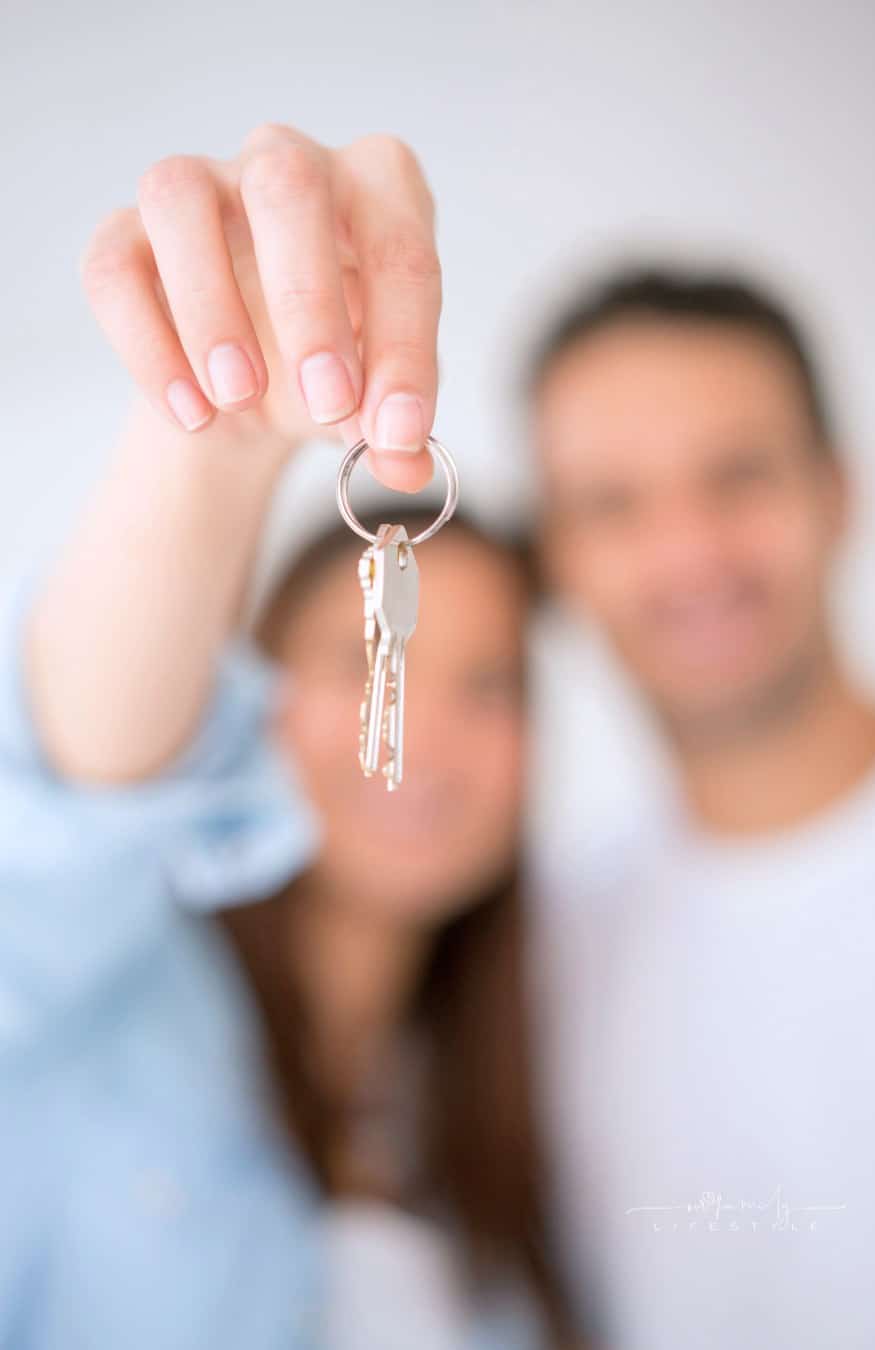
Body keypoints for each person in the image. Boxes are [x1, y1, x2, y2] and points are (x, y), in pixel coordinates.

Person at [0, 125, 571, 1349]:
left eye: (493, 685)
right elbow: (76, 793)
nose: (424, 730)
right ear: (257, 692)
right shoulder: (84, 990)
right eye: (373, 661)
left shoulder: (511, 1124)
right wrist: (215, 448)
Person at [526, 266, 875, 1348]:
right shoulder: (547, 949)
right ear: (558, 559)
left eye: (738, 476)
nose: (690, 551)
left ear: (836, 490)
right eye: (615, 504)